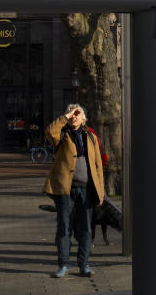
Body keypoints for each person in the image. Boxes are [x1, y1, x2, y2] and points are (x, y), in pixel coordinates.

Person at [44, 104, 105, 279]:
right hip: (65, 190)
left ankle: (84, 264)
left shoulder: (91, 137)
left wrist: (100, 191)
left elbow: (98, 166)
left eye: (78, 114)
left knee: (85, 229)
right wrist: (66, 115)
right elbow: (50, 132)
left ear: (83, 118)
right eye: (72, 114)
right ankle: (63, 264)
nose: (74, 117)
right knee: (64, 227)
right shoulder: (62, 135)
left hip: (86, 189)